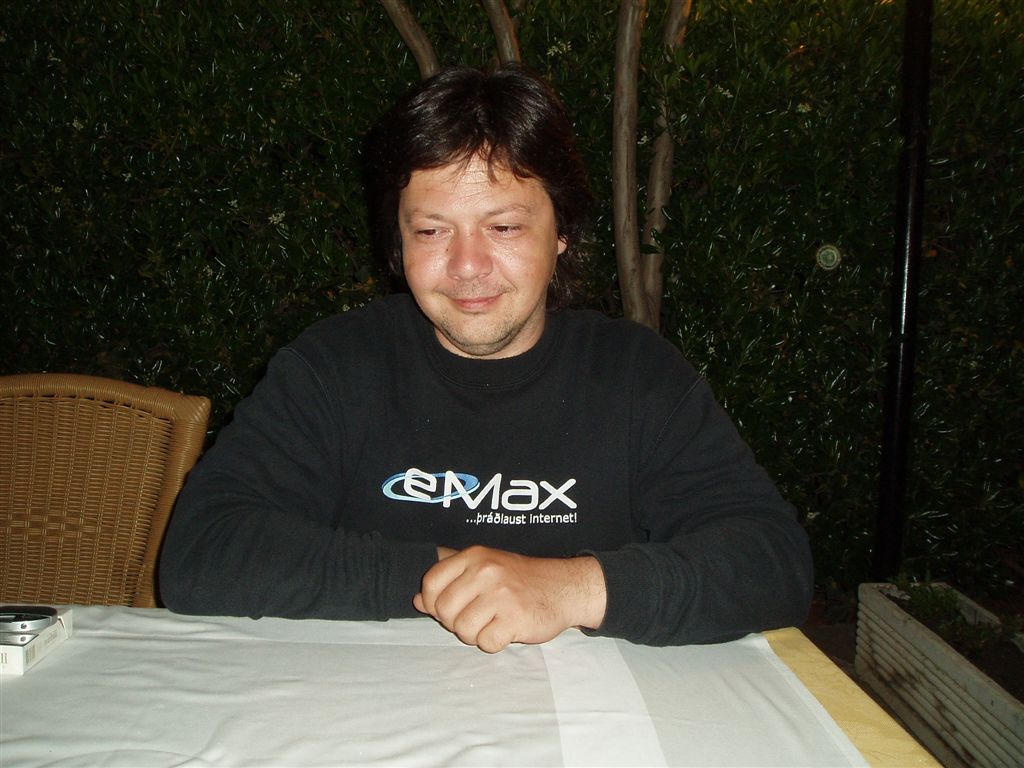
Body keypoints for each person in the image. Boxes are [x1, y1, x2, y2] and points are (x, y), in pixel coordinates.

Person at [158, 64, 813, 653]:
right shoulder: (333, 367)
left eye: (503, 227)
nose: (467, 266)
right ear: (397, 243)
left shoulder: (636, 375)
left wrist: (567, 589)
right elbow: (202, 552)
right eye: (431, 230)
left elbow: (772, 562)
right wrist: (453, 579)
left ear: (561, 232)